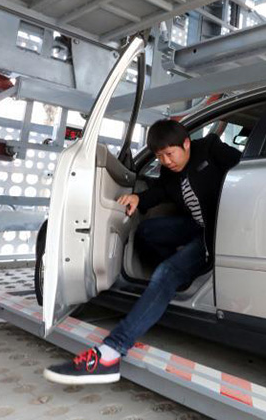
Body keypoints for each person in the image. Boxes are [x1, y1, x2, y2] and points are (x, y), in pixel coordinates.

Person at [43, 119, 241, 384]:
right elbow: (160, 191)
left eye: (170, 154)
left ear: (186, 143)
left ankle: (112, 351)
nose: (167, 162)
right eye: (160, 157)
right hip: (195, 226)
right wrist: (138, 198)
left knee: (166, 273)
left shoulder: (211, 149)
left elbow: (246, 170)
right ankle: (174, 278)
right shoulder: (170, 170)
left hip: (216, 235)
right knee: (147, 232)